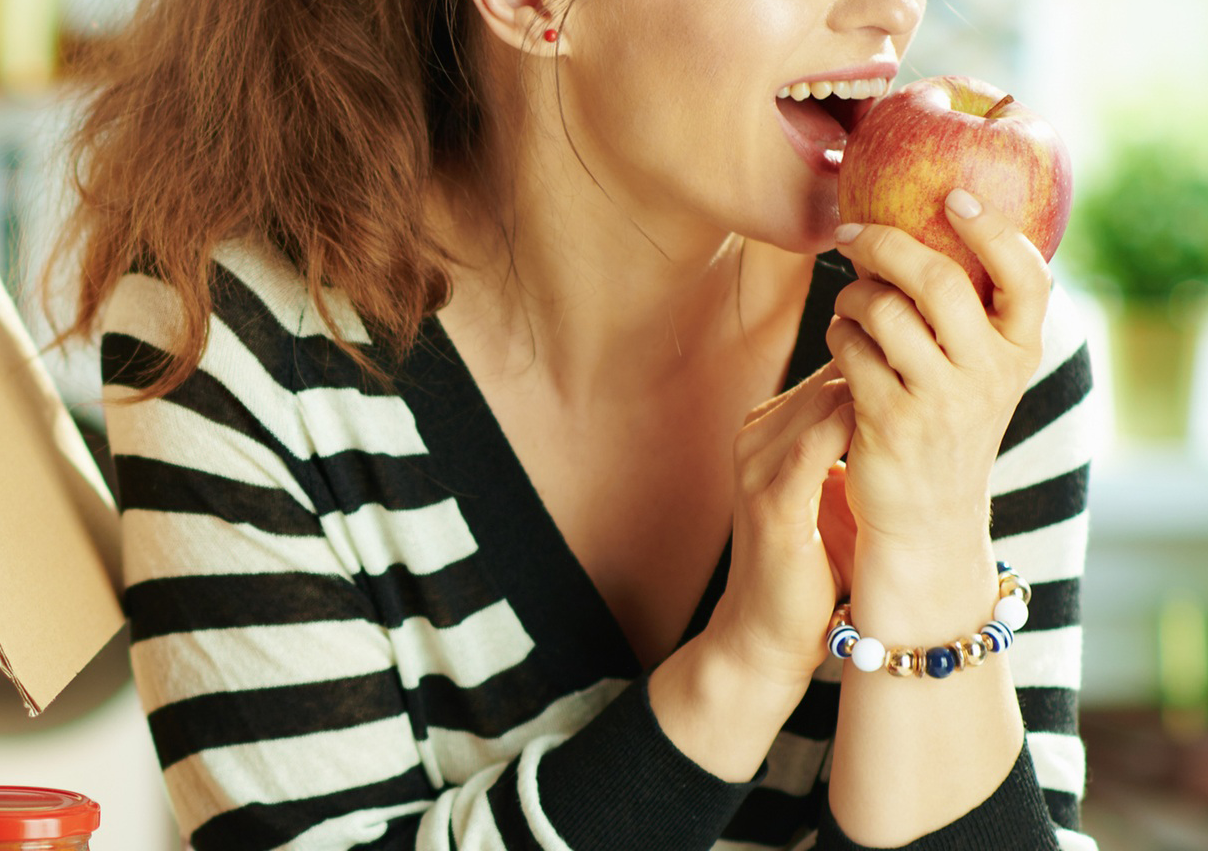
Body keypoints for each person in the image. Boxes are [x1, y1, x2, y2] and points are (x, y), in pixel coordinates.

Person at [59, 0, 1097, 848]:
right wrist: (733, 669)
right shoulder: (233, 340)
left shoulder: (969, 361)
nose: (889, 11)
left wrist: (925, 547)